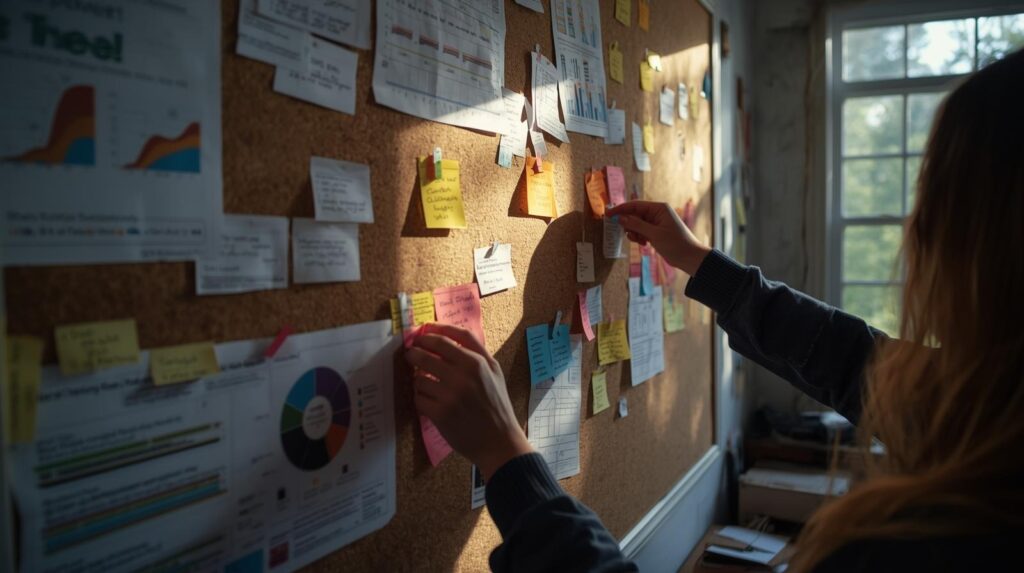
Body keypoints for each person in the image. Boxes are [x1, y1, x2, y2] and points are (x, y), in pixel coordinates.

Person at [405, 48, 1023, 572]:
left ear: (988, 251)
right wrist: (704, 265)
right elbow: (856, 359)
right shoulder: (995, 408)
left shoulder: (945, 534)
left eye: (936, 204)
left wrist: (509, 459)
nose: (914, 231)